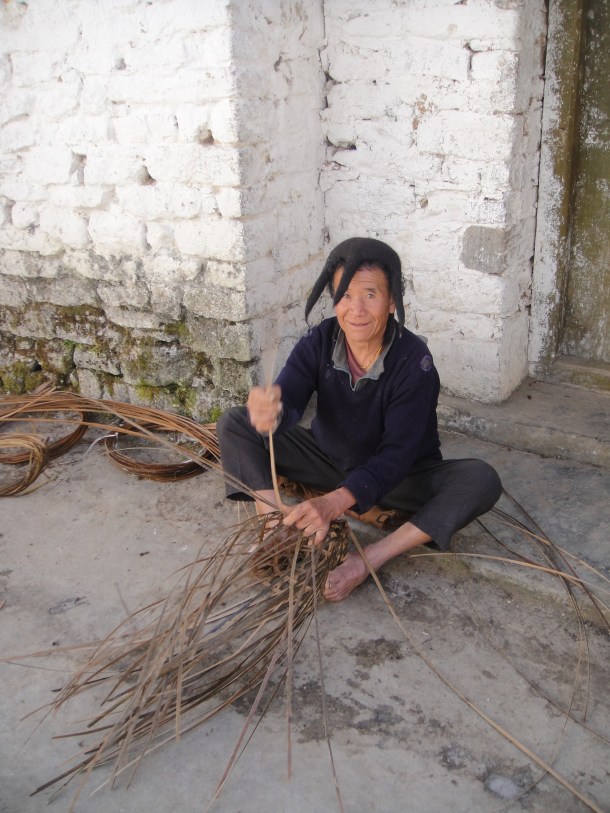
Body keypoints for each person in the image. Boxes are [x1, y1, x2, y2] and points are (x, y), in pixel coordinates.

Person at [217, 237, 502, 602]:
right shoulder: (320, 340)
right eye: (345, 295)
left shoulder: (414, 363)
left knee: (480, 480)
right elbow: (289, 398)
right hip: (328, 459)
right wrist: (270, 411)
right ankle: (279, 527)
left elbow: (396, 456)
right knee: (235, 422)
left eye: (370, 294)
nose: (357, 310)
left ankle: (369, 559)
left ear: (392, 300)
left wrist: (333, 503)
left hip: (399, 479)